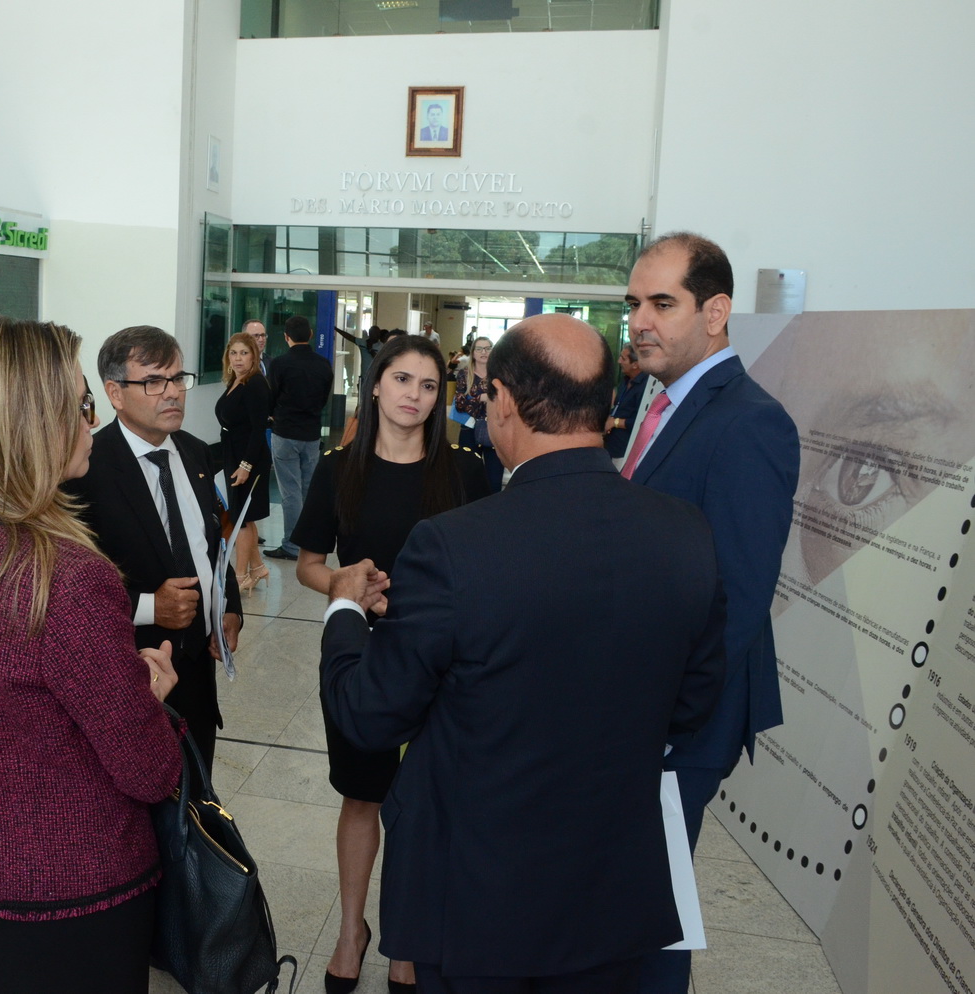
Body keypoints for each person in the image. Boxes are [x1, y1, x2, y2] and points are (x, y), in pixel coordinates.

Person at [320, 314, 727, 993]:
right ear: (606, 402)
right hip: (614, 896)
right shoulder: (685, 533)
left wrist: (343, 610)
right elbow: (691, 708)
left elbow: (371, 714)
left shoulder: (452, 546)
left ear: (502, 401)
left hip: (478, 902)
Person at [0, 319, 182, 994]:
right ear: (28, 427)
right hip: (75, 893)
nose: (91, 422)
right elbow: (147, 770)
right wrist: (147, 696)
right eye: (79, 406)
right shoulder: (66, 579)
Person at [621, 232, 800, 994]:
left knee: (652, 907)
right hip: (645, 700)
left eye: (663, 304)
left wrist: (669, 722)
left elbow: (740, 596)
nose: (640, 322)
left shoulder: (750, 421)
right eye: (634, 304)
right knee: (632, 894)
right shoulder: (661, 400)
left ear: (716, 312)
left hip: (685, 716)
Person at [293, 334, 490, 994]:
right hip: (365, 657)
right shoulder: (338, 469)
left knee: (425, 802)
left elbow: (489, 568)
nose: (414, 395)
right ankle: (352, 931)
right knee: (363, 796)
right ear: (375, 384)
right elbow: (309, 564)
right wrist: (346, 586)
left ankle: (407, 937)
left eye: (429, 385)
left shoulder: (465, 473)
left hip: (445, 662)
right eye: (402, 379)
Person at [67, 325, 244, 773]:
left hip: (198, 673)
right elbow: (67, 594)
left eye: (177, 378)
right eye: (152, 382)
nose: (172, 393)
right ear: (115, 393)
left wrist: (228, 607)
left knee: (198, 794)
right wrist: (149, 607)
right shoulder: (86, 471)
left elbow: (214, 542)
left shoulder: (197, 453)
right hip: (133, 675)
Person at [265, 314, 332, 562]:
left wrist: (273, 415)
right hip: (311, 434)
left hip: (285, 433)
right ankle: (308, 544)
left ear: (286, 337)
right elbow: (323, 398)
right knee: (307, 490)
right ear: (311, 335)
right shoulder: (323, 365)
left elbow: (271, 396)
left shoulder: (279, 364)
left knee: (290, 492)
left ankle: (291, 546)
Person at [216, 332, 272, 591]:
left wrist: (246, 465)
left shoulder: (255, 384)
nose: (238, 358)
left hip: (249, 459)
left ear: (254, 356)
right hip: (235, 454)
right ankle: (257, 568)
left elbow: (258, 429)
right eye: (234, 353)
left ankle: (240, 577)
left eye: (244, 353)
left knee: (242, 519)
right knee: (244, 516)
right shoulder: (236, 380)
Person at [452, 336, 505, 493]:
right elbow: (459, 403)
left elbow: (509, 399)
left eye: (488, 348)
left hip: (494, 428)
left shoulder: (501, 374)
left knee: (494, 479)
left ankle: (492, 507)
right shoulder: (464, 374)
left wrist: (475, 400)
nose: (484, 352)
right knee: (467, 476)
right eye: (479, 349)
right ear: (473, 353)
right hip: (469, 428)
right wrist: (481, 398)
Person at [602, 343, 648, 462]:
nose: (619, 361)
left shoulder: (646, 387)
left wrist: (615, 422)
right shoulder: (626, 380)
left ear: (635, 364)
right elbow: (619, 406)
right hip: (610, 445)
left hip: (625, 452)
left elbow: (642, 421)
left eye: (623, 358)